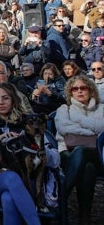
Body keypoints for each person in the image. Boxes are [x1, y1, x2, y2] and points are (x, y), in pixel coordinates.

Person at [0, 83, 60, 225]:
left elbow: (55, 160)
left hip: (28, 182)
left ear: (13, 100)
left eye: (5, 98)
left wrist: (32, 145)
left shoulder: (29, 123)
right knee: (11, 178)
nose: (1, 102)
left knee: (8, 198)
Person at [54, 75, 104, 225]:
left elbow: (103, 127)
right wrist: (92, 132)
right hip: (67, 152)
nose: (79, 91)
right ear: (70, 92)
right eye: (75, 89)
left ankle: (61, 198)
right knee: (87, 167)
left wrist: (78, 122)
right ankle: (85, 217)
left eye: (83, 88)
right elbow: (63, 127)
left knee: (82, 151)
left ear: (91, 90)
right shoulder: (64, 108)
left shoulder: (102, 108)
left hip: (97, 153)